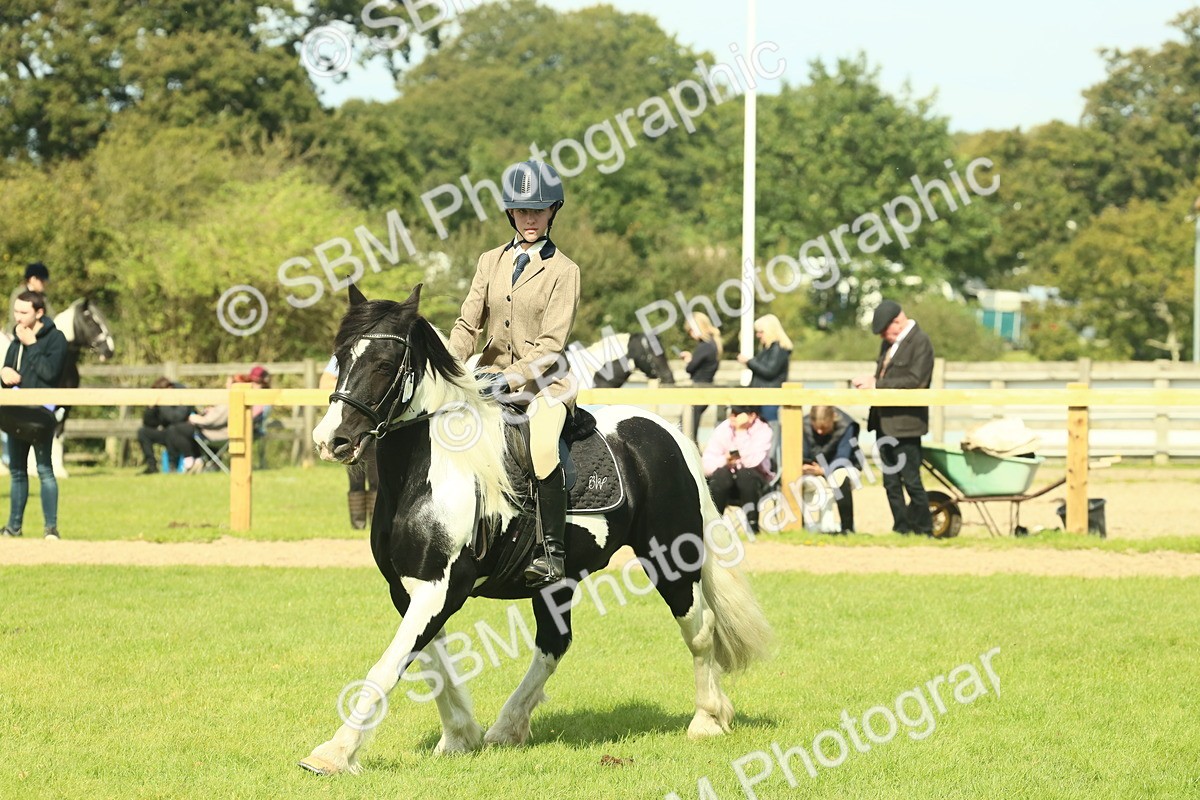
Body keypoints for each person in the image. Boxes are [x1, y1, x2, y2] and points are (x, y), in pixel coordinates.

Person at [448, 160, 581, 587]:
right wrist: (449, 363)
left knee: (542, 448)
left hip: (544, 385)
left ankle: (552, 554)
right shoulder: (490, 261)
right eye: (522, 211)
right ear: (510, 212)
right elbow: (468, 325)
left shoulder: (564, 271)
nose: (530, 219)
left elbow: (551, 346)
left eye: (538, 210)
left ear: (553, 210)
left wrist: (508, 379)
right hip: (486, 379)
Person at [852, 300, 935, 535]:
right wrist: (871, 381)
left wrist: (877, 384)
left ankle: (924, 528)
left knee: (911, 480)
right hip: (883, 421)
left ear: (897, 322)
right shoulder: (888, 345)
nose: (882, 337)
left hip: (907, 424)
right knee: (890, 482)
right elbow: (885, 376)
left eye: (883, 331)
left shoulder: (921, 342)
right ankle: (901, 527)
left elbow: (917, 381)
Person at [1, 291, 67, 539]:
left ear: (39, 313)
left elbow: (50, 374)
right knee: (17, 471)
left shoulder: (56, 339)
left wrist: (32, 345)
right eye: (15, 311)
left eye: (23, 312)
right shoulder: (17, 337)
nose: (17, 317)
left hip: (41, 415)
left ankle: (51, 529)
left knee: (45, 470)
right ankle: (13, 527)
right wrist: (4, 374)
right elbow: (9, 371)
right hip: (16, 413)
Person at [321, 355, 378, 529]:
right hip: (350, 426)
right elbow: (325, 383)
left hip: (373, 423)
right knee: (355, 479)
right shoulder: (345, 354)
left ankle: (376, 522)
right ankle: (357, 524)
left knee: (376, 478)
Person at [701, 405, 775, 532]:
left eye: (737, 413)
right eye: (732, 412)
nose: (732, 416)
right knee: (721, 475)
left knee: (745, 475)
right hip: (726, 483)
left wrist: (741, 431)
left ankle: (752, 527)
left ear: (752, 416)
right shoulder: (723, 429)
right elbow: (706, 465)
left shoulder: (763, 430)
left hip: (755, 482)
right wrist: (725, 460)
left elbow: (752, 462)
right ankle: (714, 527)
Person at [737, 314, 792, 474]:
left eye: (761, 332)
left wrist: (749, 362)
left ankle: (770, 469)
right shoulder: (768, 350)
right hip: (762, 400)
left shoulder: (779, 350)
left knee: (771, 439)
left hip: (770, 401)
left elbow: (769, 371)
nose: (758, 335)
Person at [802, 405, 861, 534]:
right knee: (797, 479)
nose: (819, 431)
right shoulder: (803, 424)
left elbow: (843, 457)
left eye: (824, 427)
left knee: (840, 477)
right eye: (816, 427)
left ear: (833, 418)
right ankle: (800, 526)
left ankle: (847, 528)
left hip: (843, 466)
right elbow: (803, 452)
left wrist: (823, 471)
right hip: (813, 467)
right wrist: (804, 465)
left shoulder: (847, 426)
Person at [137, 376, 193, 474]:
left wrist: (163, 403)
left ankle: (172, 465)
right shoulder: (159, 399)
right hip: (165, 431)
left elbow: (177, 418)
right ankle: (151, 466)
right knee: (143, 432)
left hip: (181, 432)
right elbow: (148, 423)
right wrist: (151, 408)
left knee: (172, 430)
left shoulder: (181, 394)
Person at [680, 312, 721, 443]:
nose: (690, 334)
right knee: (689, 427)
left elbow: (691, 368)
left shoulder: (705, 346)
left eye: (691, 330)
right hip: (704, 389)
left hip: (699, 390)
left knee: (687, 429)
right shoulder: (712, 344)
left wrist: (689, 361)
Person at [10, 262, 55, 331]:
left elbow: (51, 316)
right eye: (42, 280)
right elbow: (14, 319)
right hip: (17, 332)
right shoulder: (18, 293)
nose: (44, 283)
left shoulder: (43, 296)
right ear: (33, 279)